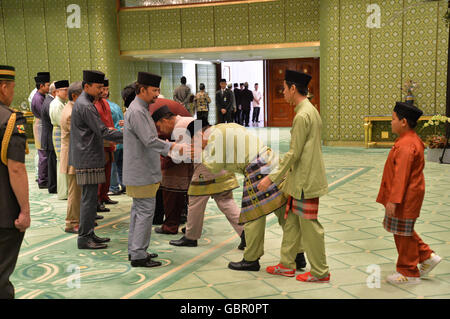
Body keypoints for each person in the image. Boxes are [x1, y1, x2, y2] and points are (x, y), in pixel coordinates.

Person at [189, 120, 305, 272]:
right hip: (272, 161)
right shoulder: (228, 126)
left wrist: (201, 154)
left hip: (258, 169)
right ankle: (298, 255)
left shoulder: (215, 137)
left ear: (199, 134)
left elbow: (215, 166)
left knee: (252, 216)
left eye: (195, 141)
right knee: (285, 213)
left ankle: (251, 259)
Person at [258, 70, 329, 282]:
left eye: (284, 88)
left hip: (306, 180)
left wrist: (272, 177)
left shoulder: (303, 115)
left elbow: (294, 152)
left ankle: (320, 271)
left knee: (310, 226)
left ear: (293, 89)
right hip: (301, 178)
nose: (283, 93)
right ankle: (286, 265)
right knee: (292, 223)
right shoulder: (309, 110)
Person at [123, 72, 187, 267]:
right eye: (154, 90)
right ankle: (139, 254)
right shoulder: (138, 111)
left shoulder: (138, 109)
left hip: (141, 169)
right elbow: (149, 140)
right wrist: (173, 147)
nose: (158, 94)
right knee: (144, 212)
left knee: (139, 211)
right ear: (142, 90)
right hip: (142, 171)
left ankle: (136, 250)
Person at [377, 102, 442, 285]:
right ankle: (426, 255)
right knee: (403, 230)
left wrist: (394, 200)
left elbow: (401, 176)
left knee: (403, 235)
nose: (391, 123)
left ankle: (408, 272)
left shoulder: (407, 145)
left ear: (403, 121)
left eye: (393, 119)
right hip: (407, 195)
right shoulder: (409, 140)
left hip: (404, 197)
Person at [169, 119, 245, 249]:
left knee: (195, 203)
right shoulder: (217, 131)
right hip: (224, 171)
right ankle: (246, 235)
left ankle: (191, 237)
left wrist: (170, 148)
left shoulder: (199, 133)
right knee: (227, 203)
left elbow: (190, 152)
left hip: (205, 172)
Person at [69, 70, 123, 250]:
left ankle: (89, 233)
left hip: (89, 155)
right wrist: (129, 134)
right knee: (88, 199)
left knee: (91, 199)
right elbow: (103, 131)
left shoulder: (88, 103)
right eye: (98, 87)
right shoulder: (85, 105)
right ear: (87, 87)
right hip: (87, 157)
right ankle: (84, 238)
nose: (102, 90)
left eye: (102, 87)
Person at [0, 65, 31, 299]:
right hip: (4, 212)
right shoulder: (10, 120)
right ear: (3, 88)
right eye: (12, 87)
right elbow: (17, 168)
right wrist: (25, 211)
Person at [151, 106, 194, 235]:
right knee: (196, 200)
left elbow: (180, 156)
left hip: (193, 166)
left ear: (165, 120)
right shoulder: (188, 120)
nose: (161, 130)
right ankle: (193, 226)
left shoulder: (180, 127)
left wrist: (164, 156)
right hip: (204, 166)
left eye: (159, 126)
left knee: (171, 189)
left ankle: (170, 226)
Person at [60, 81, 82, 234]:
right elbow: (80, 135)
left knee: (78, 191)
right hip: (72, 157)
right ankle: (71, 222)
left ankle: (78, 219)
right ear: (75, 95)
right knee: (74, 192)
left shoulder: (73, 108)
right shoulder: (70, 112)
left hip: (75, 154)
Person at [94, 78, 118, 212]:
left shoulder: (105, 103)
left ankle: (104, 195)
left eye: (106, 89)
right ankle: (97, 198)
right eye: (102, 89)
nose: (104, 92)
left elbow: (110, 122)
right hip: (100, 142)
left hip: (109, 140)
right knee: (100, 172)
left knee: (108, 171)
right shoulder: (93, 104)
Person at [49, 80, 69, 200]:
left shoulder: (62, 102)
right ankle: (63, 192)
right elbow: (63, 122)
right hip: (59, 133)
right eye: (64, 90)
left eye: (67, 89)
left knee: (63, 161)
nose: (67, 92)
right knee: (62, 161)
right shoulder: (56, 104)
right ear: (56, 92)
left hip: (62, 132)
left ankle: (65, 190)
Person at [30, 72, 50, 189]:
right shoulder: (38, 98)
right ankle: (42, 180)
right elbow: (44, 115)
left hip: (42, 125)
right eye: (47, 85)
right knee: (43, 154)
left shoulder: (41, 96)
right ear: (41, 86)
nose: (48, 87)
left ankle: (44, 178)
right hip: (41, 126)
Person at [107, 83, 125, 196]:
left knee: (112, 166)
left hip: (113, 139)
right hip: (122, 139)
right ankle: (124, 185)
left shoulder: (105, 107)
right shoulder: (116, 106)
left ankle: (113, 187)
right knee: (121, 165)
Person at [40, 82, 57, 194]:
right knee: (51, 165)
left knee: (51, 164)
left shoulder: (49, 101)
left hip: (49, 137)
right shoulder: (50, 103)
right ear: (55, 92)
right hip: (49, 138)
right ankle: (53, 187)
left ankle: (53, 186)